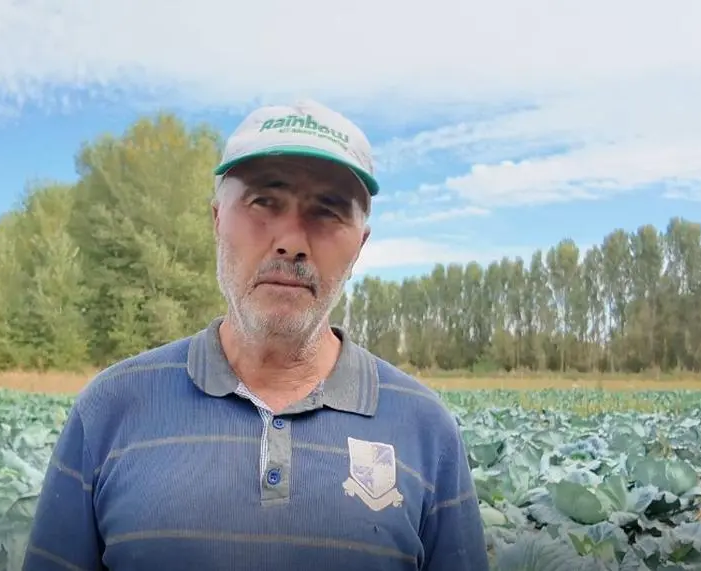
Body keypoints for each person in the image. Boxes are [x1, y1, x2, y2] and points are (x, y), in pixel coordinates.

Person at [24, 99, 488, 571]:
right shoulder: (110, 409)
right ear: (217, 220)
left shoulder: (427, 430)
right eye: (264, 202)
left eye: (327, 211)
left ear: (359, 246)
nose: (291, 242)